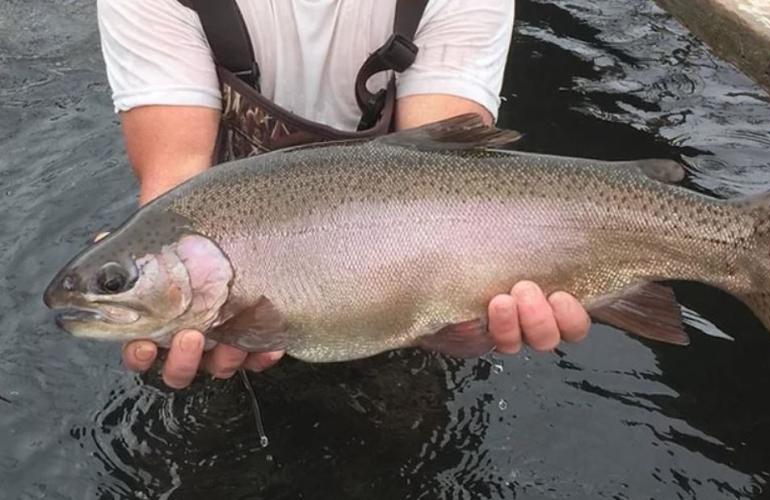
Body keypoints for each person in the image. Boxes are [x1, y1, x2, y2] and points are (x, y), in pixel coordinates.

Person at [97, 0, 593, 390]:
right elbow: (176, 182)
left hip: (397, 286)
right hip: (235, 302)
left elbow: (445, 171)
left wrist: (466, 313)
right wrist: (166, 308)